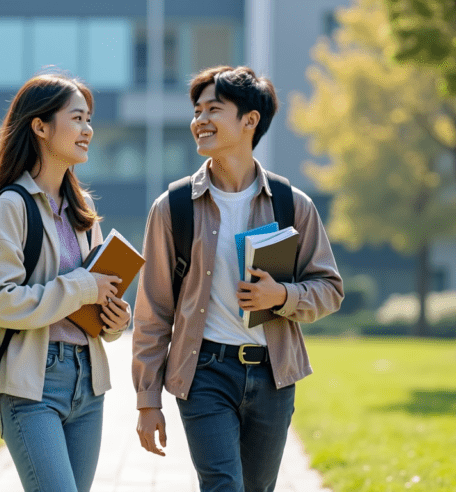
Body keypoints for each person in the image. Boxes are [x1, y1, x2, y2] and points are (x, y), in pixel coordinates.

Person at [132, 65, 344, 492]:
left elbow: (330, 290)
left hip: (272, 375)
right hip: (204, 372)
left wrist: (280, 295)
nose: (200, 121)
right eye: (196, 111)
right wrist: (147, 399)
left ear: (250, 120)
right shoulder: (172, 207)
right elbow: (153, 310)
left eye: (214, 109)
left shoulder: (291, 204)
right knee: (223, 485)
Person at [0, 73, 131, 492]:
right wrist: (85, 288)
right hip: (33, 384)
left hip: (88, 383)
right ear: (40, 126)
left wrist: (114, 317)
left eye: (89, 119)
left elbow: (92, 299)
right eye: (77, 118)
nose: (88, 130)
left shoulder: (82, 208)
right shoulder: (11, 206)